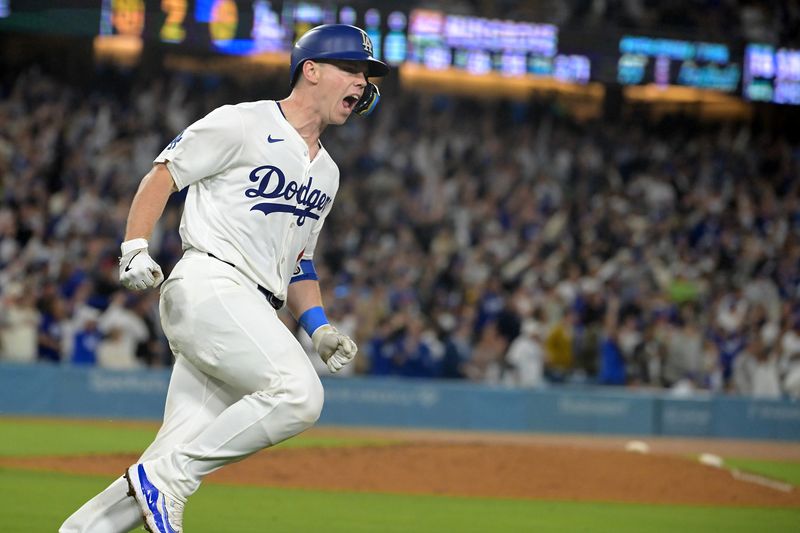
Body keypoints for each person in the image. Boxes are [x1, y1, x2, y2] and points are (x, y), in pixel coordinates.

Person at [60, 24, 388, 533]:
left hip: (253, 307)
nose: (362, 83)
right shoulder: (243, 122)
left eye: (366, 75)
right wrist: (133, 247)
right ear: (312, 70)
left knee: (166, 457)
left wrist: (319, 327)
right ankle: (170, 480)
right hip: (210, 283)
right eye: (351, 69)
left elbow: (298, 260)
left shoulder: (329, 173)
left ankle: (87, 527)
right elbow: (165, 174)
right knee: (299, 395)